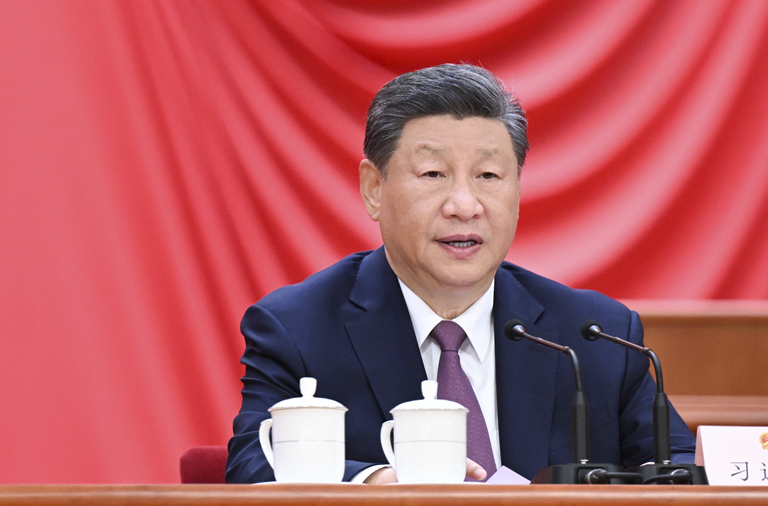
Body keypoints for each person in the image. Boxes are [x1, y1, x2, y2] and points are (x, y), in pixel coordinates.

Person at [226, 63, 696, 484]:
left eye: (488, 176)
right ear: (374, 188)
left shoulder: (595, 336)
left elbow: (681, 468)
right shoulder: (297, 329)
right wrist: (374, 483)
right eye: (433, 174)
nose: (465, 206)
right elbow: (253, 463)